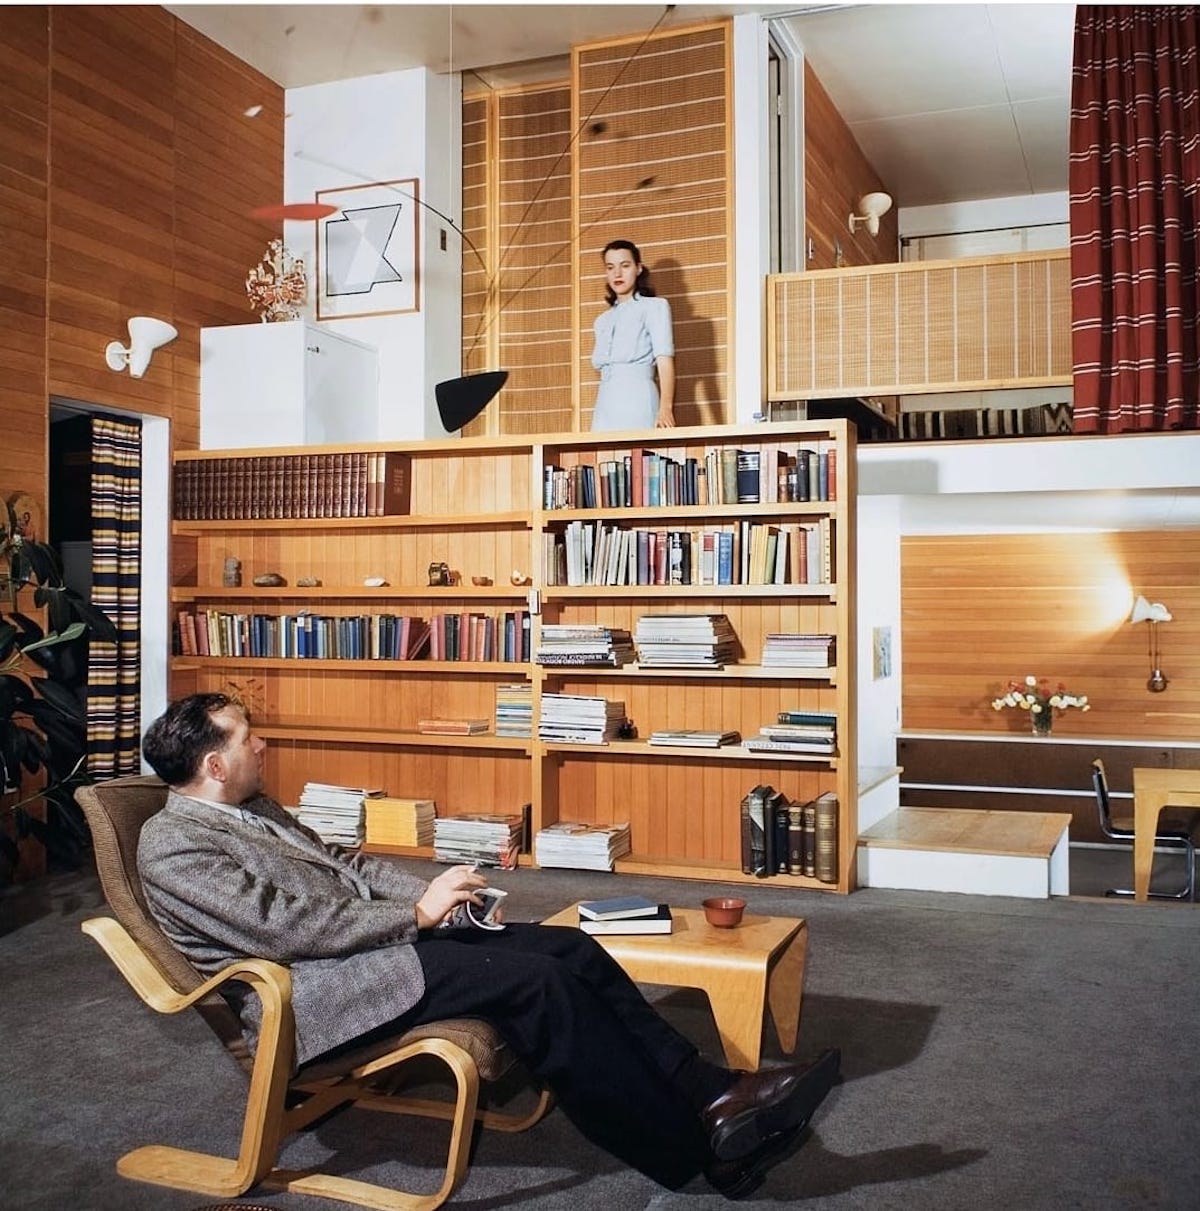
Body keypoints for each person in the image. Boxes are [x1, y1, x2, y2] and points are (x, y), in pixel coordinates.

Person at [137, 693, 840, 1199]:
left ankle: (714, 1091)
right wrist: (415, 914)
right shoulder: (174, 844)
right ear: (214, 763)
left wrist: (436, 886)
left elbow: (346, 864)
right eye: (245, 736)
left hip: (364, 950)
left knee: (570, 948)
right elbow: (284, 928)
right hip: (314, 992)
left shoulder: (251, 805)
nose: (261, 743)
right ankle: (694, 1152)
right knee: (540, 987)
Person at [591, 239, 676, 431]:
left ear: (638, 268)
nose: (617, 274)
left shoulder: (655, 307)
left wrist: (665, 408)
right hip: (605, 404)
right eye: (610, 267)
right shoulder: (602, 321)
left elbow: (665, 361)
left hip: (638, 400)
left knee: (640, 459)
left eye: (625, 265)